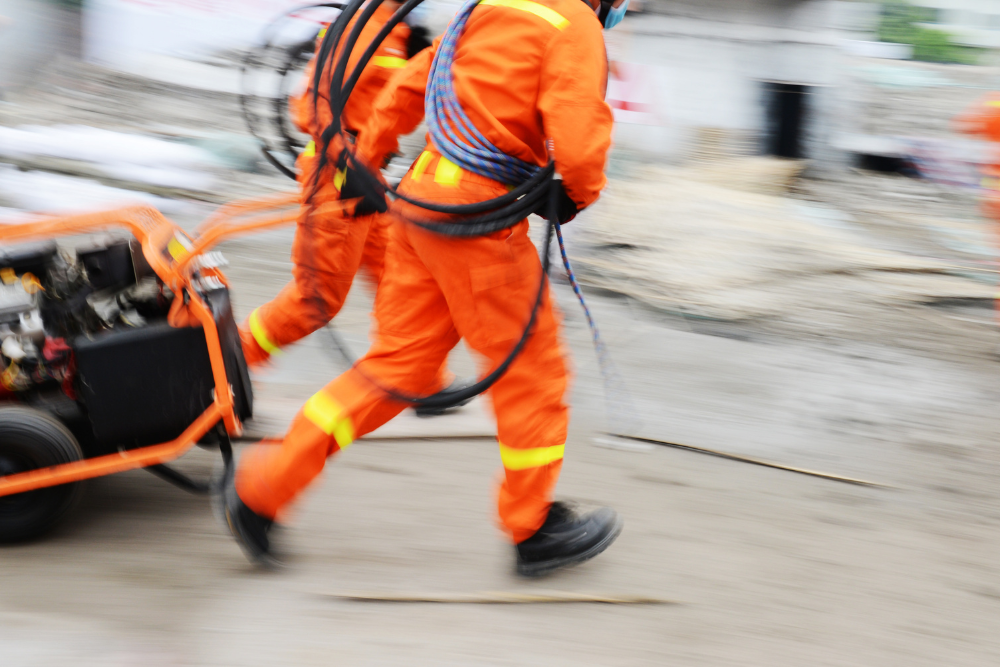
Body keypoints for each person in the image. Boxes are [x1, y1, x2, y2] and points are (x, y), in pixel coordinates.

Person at [226, 0, 631, 576]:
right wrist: (578, 194)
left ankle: (263, 488)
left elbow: (413, 86)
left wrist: (362, 166)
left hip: (419, 201)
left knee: (399, 367)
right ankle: (533, 526)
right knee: (533, 373)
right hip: (474, 218)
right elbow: (579, 134)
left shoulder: (489, 10)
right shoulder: (574, 25)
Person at [238, 0, 446, 406]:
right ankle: (233, 359)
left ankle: (418, 378)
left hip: (368, 174)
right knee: (316, 301)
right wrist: (346, 163)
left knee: (399, 281)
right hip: (340, 174)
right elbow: (314, 104)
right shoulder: (361, 24)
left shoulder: (399, 27)